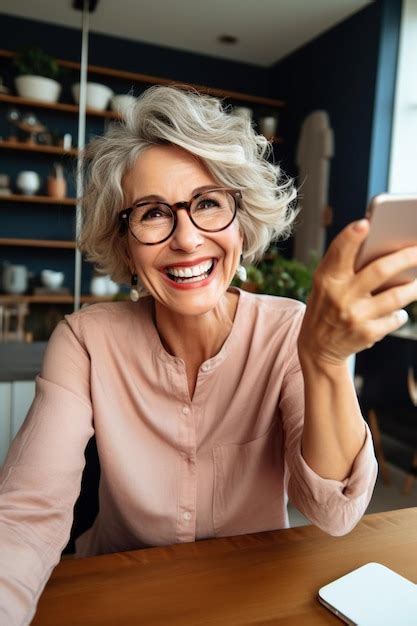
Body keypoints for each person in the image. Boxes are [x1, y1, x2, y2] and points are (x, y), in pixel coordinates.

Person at [1, 85, 416, 625]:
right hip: (119, 592)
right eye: (153, 213)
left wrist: (327, 360)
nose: (188, 239)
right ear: (124, 242)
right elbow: (28, 515)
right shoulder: (85, 340)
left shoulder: (290, 328)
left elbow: (334, 513)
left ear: (241, 222)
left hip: (251, 596)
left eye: (207, 204)